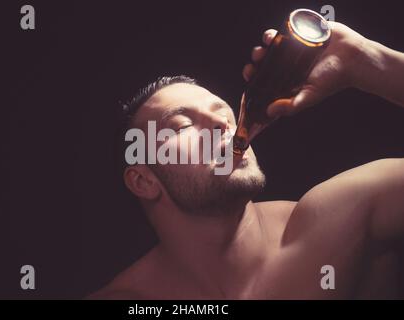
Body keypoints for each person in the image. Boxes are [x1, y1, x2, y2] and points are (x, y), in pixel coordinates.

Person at [89, 21, 404, 299]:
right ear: (144, 180)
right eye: (183, 125)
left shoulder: (341, 219)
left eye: (224, 114)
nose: (221, 125)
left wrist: (368, 62)